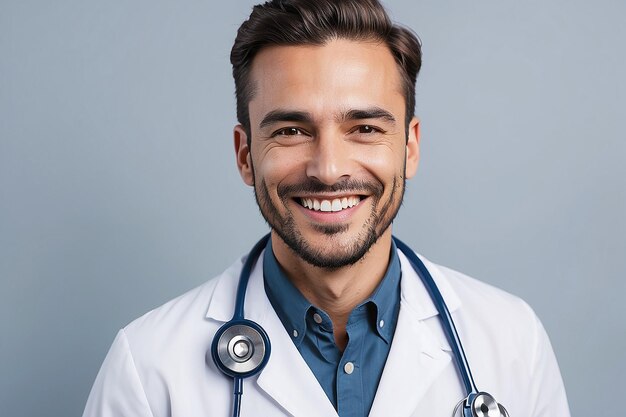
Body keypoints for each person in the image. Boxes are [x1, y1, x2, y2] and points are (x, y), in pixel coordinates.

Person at [83, 1, 570, 416]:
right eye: (291, 131)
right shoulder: (149, 370)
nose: (329, 169)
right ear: (246, 155)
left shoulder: (511, 343)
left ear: (410, 147)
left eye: (365, 128)